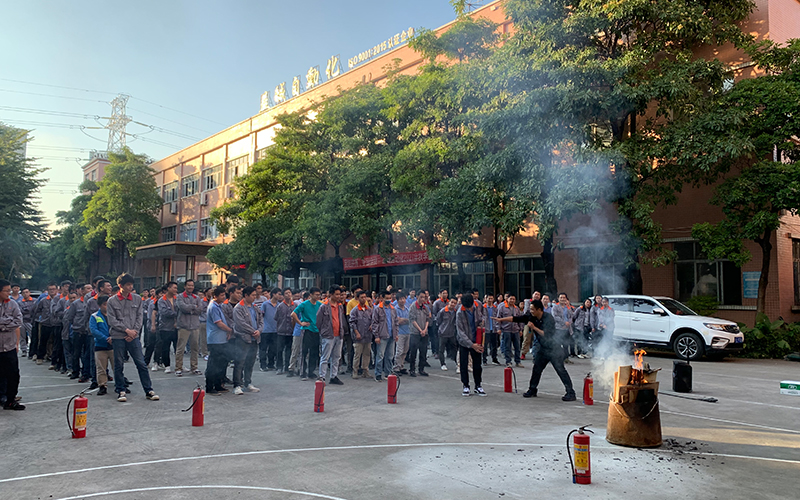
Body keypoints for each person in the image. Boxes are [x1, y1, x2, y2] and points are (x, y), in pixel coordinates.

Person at [499, 299, 575, 401]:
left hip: (554, 348)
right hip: (543, 349)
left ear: (539, 310)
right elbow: (516, 318)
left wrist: (534, 327)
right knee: (536, 370)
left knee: (560, 370)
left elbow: (546, 334)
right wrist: (500, 319)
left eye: (532, 309)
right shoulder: (531, 317)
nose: (531, 311)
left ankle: (570, 392)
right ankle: (532, 389)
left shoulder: (548, 318)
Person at [106, 273, 159, 403]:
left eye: (131, 285)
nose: (130, 287)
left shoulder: (137, 299)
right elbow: (112, 320)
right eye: (128, 285)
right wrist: (126, 330)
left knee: (141, 363)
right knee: (118, 364)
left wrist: (134, 332)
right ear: (121, 285)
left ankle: (149, 390)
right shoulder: (112, 301)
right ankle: (121, 390)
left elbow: (139, 317)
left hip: (133, 336)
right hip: (118, 336)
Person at [232, 286, 262, 394]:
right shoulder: (238, 308)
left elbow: (261, 320)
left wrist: (259, 330)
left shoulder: (255, 307)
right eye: (253, 295)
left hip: (255, 339)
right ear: (246, 295)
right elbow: (241, 323)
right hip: (243, 338)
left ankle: (247, 383)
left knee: (250, 362)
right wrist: (253, 331)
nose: (255, 297)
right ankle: (237, 385)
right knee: (240, 361)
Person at [454, 294, 486, 397]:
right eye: (467, 307)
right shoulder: (459, 313)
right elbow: (460, 332)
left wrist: (482, 322)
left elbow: (482, 318)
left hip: (476, 339)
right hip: (464, 342)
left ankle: (478, 385)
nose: (469, 309)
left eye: (470, 307)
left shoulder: (477, 307)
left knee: (477, 365)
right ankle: (466, 386)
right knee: (464, 364)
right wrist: (471, 345)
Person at [0, 279, 24, 410]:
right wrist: (8, 322)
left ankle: (10, 400)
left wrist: (2, 326)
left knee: (13, 374)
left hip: (9, 346)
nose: (9, 293)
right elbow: (12, 321)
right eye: (6, 290)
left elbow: (18, 321)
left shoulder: (12, 304)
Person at [316, 285, 345, 385]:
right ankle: (322, 376)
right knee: (325, 356)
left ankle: (334, 376)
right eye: (336, 294)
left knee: (336, 357)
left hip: (339, 335)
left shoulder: (340, 306)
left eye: (339, 294)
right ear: (331, 294)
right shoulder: (324, 306)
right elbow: (318, 321)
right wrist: (323, 332)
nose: (338, 296)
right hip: (328, 335)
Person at [205, 286, 232, 395]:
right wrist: (229, 330)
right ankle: (210, 386)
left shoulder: (219, 306)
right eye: (221, 295)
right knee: (214, 364)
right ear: (215, 296)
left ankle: (218, 385)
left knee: (221, 363)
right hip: (215, 340)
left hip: (221, 339)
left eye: (224, 295)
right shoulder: (213, 307)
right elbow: (219, 323)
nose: (223, 297)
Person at [292, 287, 322, 381]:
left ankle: (311, 372)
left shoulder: (320, 305)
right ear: (311, 295)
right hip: (307, 330)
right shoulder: (304, 304)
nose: (318, 296)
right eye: (316, 295)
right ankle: (303, 372)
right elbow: (293, 314)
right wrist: (300, 323)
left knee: (314, 352)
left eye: (319, 295)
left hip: (316, 330)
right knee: (304, 352)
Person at [175, 279, 203, 377]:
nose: (190, 287)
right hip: (184, 326)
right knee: (181, 348)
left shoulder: (197, 297)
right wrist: (194, 307)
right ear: (185, 286)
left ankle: (194, 367)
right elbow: (183, 308)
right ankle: (178, 368)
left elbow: (200, 309)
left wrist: (190, 308)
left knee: (195, 348)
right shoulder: (180, 297)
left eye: (192, 285)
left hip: (195, 326)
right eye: (189, 285)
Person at [65, 284, 91, 382]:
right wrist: (77, 325)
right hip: (78, 331)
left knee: (87, 354)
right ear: (82, 291)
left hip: (88, 331)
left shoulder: (92, 302)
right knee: (76, 353)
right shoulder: (76, 303)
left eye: (91, 288)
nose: (90, 290)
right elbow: (70, 317)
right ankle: (75, 371)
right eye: (87, 289)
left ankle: (86, 372)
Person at [88, 295, 113, 396]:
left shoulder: (114, 315)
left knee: (117, 366)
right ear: (99, 305)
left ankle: (120, 385)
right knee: (101, 368)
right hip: (100, 345)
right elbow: (94, 330)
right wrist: (106, 339)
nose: (106, 307)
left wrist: (113, 337)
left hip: (113, 345)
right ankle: (102, 386)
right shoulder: (94, 316)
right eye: (104, 304)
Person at [370, 290, 397, 382]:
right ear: (382, 298)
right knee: (380, 356)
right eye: (387, 298)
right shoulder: (378, 309)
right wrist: (376, 336)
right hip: (382, 336)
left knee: (390, 356)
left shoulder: (393, 309)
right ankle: (378, 374)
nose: (389, 300)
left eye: (390, 298)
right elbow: (374, 323)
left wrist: (396, 334)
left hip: (391, 336)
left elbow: (395, 323)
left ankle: (388, 373)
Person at [348, 290, 373, 379]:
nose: (364, 299)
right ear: (358, 298)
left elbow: (373, 320)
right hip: (358, 336)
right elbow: (352, 323)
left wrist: (372, 325)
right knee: (357, 355)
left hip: (368, 336)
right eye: (362, 297)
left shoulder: (369, 310)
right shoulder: (355, 310)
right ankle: (355, 371)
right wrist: (356, 333)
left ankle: (365, 370)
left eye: (365, 297)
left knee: (367, 354)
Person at [157, 282, 179, 373]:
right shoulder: (162, 300)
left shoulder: (177, 299)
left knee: (178, 347)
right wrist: (177, 314)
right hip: (165, 327)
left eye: (176, 288)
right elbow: (164, 312)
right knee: (165, 347)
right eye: (174, 288)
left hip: (177, 327)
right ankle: (167, 365)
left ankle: (179, 365)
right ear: (168, 288)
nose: (175, 290)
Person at [496, 294, 523, 368]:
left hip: (516, 330)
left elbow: (520, 320)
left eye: (514, 299)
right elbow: (498, 318)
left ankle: (518, 361)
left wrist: (521, 329)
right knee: (507, 347)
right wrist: (498, 328)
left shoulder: (516, 308)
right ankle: (508, 361)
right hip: (506, 330)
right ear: (507, 299)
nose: (512, 300)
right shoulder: (502, 307)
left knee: (517, 347)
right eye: (511, 299)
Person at [407, 290, 430, 377]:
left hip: (424, 332)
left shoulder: (425, 307)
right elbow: (412, 320)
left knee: (423, 352)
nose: (422, 299)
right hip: (415, 332)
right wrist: (420, 330)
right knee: (413, 352)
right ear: (417, 297)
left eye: (424, 297)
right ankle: (412, 369)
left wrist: (425, 329)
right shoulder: (413, 307)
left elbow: (428, 319)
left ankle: (421, 369)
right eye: (421, 297)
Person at [286, 290, 307, 378]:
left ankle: (300, 369)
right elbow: (293, 319)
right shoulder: (300, 307)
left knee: (303, 352)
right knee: (295, 351)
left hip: (306, 332)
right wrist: (299, 324)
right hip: (298, 331)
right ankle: (291, 368)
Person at [274, 288, 295, 376]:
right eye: (286, 293)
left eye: (289, 293)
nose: (288, 294)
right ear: (283, 295)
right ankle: (279, 367)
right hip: (281, 331)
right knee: (279, 350)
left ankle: (287, 366)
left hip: (291, 331)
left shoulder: (295, 305)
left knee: (289, 350)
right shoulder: (280, 306)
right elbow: (276, 318)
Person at [259, 288, 280, 372]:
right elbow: (261, 316)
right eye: (278, 294)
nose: (279, 296)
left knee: (273, 348)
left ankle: (271, 364)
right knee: (263, 348)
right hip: (265, 329)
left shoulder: (279, 305)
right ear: (273, 294)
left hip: (275, 330)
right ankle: (263, 365)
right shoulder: (265, 304)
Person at [436, 297, 459, 371]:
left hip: (451, 333)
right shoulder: (443, 311)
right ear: (449, 302)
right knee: (441, 349)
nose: (453, 304)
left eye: (455, 303)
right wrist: (441, 329)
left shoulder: (455, 312)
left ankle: (457, 363)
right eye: (452, 302)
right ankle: (443, 364)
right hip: (443, 333)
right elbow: (438, 321)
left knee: (454, 349)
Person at [551, 292, 574, 364]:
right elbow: (555, 316)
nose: (562, 299)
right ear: (558, 299)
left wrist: (568, 323)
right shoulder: (555, 307)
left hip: (567, 328)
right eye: (561, 297)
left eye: (564, 298)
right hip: (559, 328)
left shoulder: (568, 307)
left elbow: (571, 316)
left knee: (566, 344)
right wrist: (564, 322)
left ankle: (566, 358)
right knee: (558, 344)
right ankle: (558, 358)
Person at [392, 292, 411, 376]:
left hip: (407, 332)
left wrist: (403, 320)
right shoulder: (395, 309)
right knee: (399, 351)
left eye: (403, 298)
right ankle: (396, 368)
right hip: (399, 332)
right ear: (397, 300)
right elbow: (397, 321)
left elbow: (410, 320)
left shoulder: (407, 309)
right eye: (400, 299)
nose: (402, 300)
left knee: (405, 351)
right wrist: (405, 320)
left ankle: (401, 366)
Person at [482, 294, 501, 366]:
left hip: (494, 328)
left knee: (494, 345)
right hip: (485, 329)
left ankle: (494, 359)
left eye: (491, 298)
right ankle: (484, 359)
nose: (490, 300)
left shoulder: (496, 308)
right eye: (489, 298)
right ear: (486, 299)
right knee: (484, 345)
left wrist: (498, 328)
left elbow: (498, 318)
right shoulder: (483, 307)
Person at [18, 287, 35, 357]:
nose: (25, 294)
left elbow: (34, 310)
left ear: (29, 293)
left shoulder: (34, 301)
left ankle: (33, 350)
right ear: (22, 294)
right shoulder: (20, 302)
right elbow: (20, 311)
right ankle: (24, 350)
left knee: (32, 336)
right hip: (22, 321)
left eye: (27, 292)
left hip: (31, 321)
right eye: (23, 293)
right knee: (22, 336)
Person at [198, 287, 212, 360]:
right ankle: (204, 353)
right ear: (206, 293)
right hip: (203, 321)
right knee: (203, 338)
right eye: (209, 291)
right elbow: (200, 310)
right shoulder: (202, 301)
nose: (211, 293)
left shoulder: (213, 301)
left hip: (211, 323)